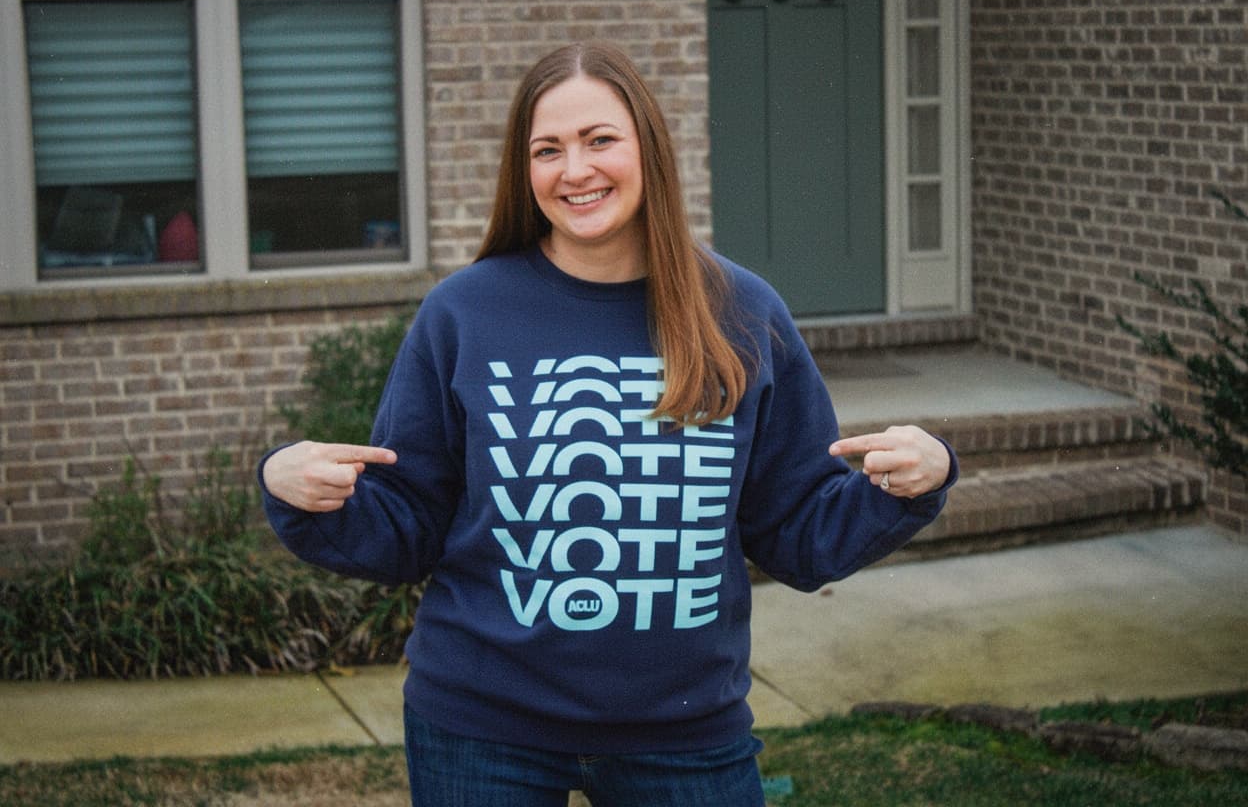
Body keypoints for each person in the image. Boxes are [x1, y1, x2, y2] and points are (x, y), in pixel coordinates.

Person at [260, 41, 957, 807]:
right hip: (481, 729)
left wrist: (908, 486)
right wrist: (298, 492)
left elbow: (795, 531)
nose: (575, 170)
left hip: (686, 734)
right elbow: (411, 524)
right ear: (524, 172)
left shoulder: (743, 312)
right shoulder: (464, 313)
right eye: (547, 149)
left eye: (599, 141)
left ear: (647, 149)